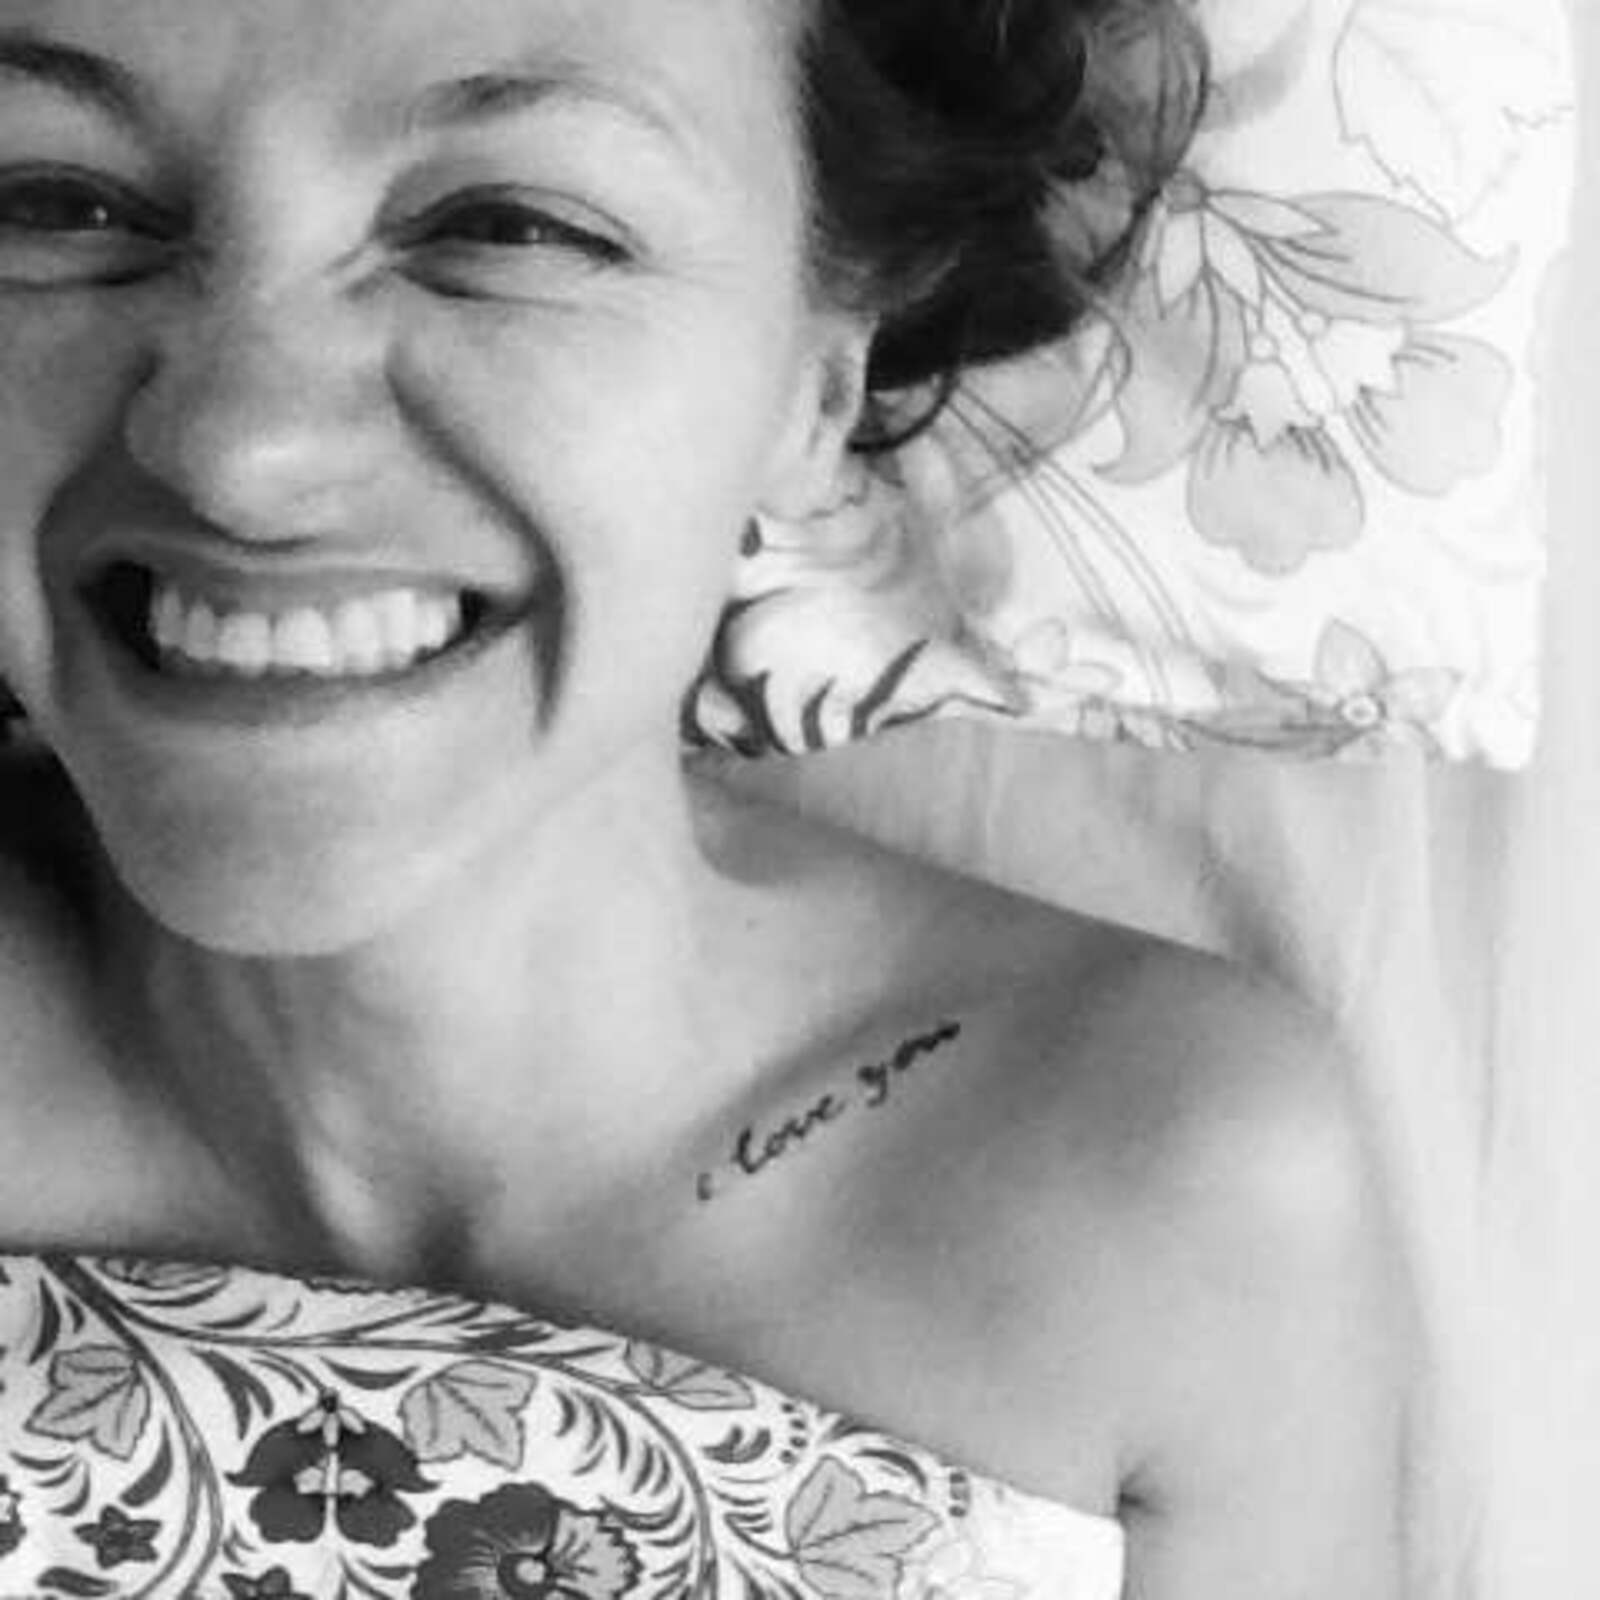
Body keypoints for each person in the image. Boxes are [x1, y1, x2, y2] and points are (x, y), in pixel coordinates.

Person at [0, 1, 1410, 1594]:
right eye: (54, 204)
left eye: (511, 226)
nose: (240, 453)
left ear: (818, 381)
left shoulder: (1171, 1191)